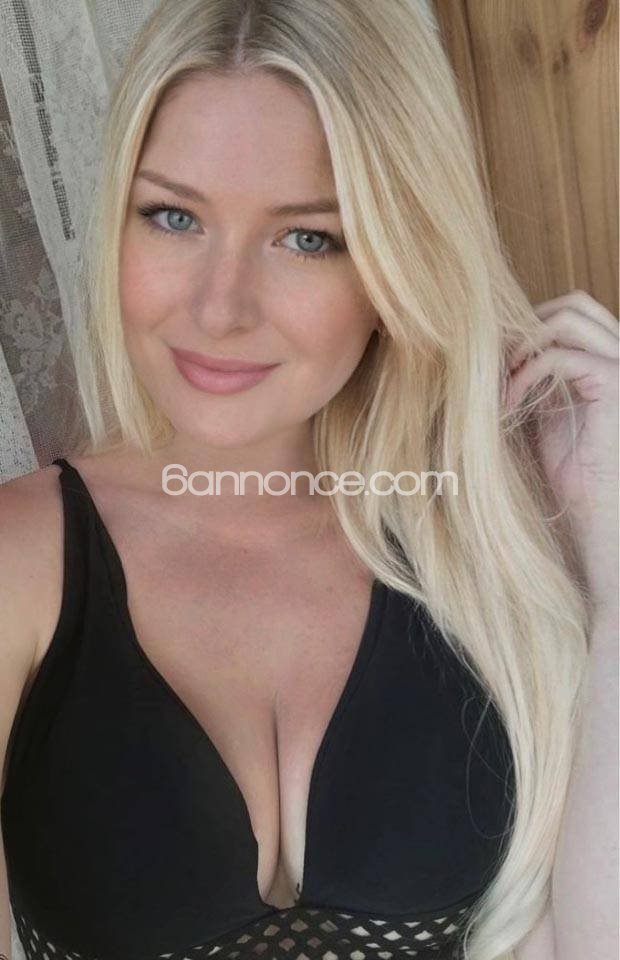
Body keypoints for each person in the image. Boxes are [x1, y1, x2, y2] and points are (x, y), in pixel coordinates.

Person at [0, 2, 617, 960]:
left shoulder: (493, 562)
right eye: (173, 216)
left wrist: (613, 553)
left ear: (399, 259)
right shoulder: (20, 567)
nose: (221, 308)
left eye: (307, 238)